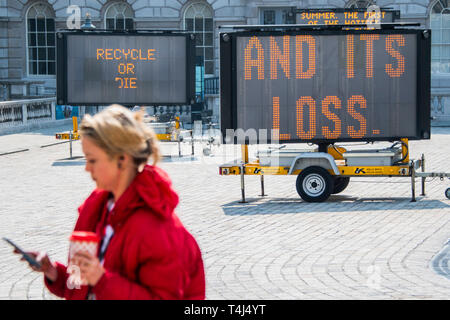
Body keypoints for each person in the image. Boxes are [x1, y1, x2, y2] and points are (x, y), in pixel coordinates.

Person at [14, 104, 205, 300]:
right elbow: (83, 288)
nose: (87, 168)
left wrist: (101, 279)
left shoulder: (158, 229)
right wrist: (54, 272)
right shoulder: (99, 208)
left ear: (121, 159)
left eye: (93, 160)